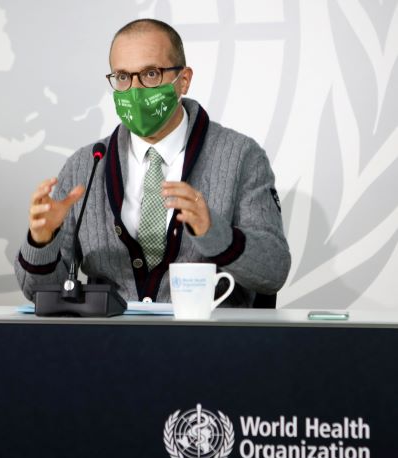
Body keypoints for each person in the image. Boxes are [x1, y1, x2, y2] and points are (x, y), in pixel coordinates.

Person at [15, 18, 291, 307]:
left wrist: (215, 234)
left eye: (150, 74)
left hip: (208, 333)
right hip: (110, 334)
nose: (135, 90)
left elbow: (273, 272)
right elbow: (38, 293)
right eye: (123, 76)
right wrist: (41, 242)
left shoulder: (241, 157)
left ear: (183, 80)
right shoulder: (86, 166)